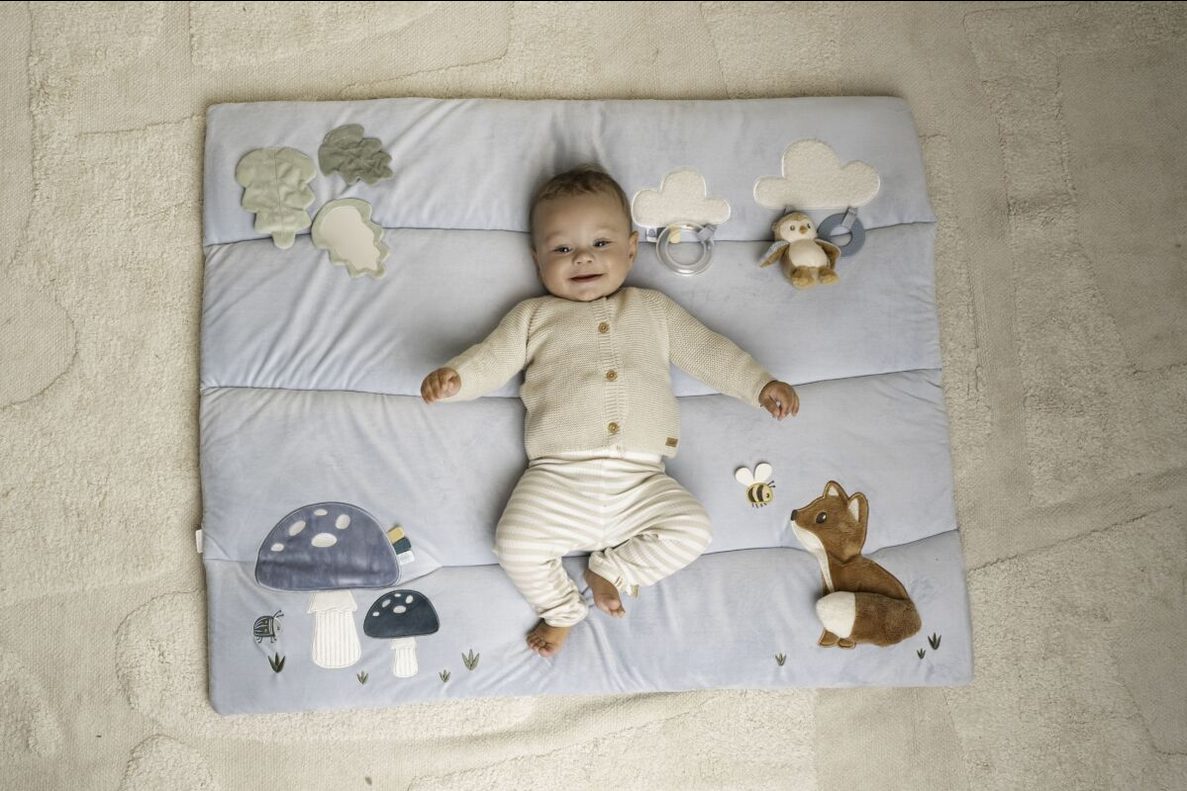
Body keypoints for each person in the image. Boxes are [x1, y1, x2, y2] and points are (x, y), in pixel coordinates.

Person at [421, 164, 800, 657]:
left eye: (600, 243)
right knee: (513, 543)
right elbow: (492, 358)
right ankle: (561, 610)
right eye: (561, 249)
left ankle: (612, 569)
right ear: (537, 261)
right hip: (557, 477)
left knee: (694, 528)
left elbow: (708, 352)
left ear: (631, 249)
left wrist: (759, 384)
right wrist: (458, 378)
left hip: (641, 480)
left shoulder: (653, 310)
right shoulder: (533, 317)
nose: (582, 257)